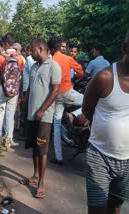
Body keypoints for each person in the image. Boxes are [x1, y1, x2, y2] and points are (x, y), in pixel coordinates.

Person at [82, 31, 129, 214]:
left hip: (127, 160)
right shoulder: (105, 77)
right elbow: (87, 109)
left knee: (115, 207)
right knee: (97, 210)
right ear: (125, 48)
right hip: (99, 156)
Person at [20, 38, 61, 198]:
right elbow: (30, 88)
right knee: (34, 147)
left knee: (42, 150)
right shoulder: (34, 66)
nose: (30, 53)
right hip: (31, 114)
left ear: (40, 48)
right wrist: (24, 108)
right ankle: (35, 176)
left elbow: (55, 90)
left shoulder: (53, 66)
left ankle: (41, 182)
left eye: (32, 49)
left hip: (44, 117)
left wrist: (42, 110)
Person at [48, 37, 84, 165]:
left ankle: (59, 157)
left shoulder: (50, 60)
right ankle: (73, 115)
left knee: (57, 124)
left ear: (51, 49)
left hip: (55, 95)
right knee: (89, 101)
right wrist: (79, 76)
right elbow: (80, 71)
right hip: (68, 92)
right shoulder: (67, 59)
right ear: (61, 47)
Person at [0, 33, 25, 147]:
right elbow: (21, 75)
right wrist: (20, 90)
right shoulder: (19, 57)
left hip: (3, 88)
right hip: (14, 90)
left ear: (6, 44)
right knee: (10, 114)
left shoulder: (2, 56)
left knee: (0, 112)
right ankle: (8, 139)